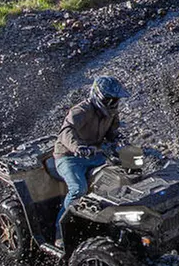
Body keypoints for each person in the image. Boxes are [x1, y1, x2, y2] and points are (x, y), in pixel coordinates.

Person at [53, 76, 130, 247]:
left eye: (116, 100)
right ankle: (60, 232)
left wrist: (120, 141)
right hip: (69, 157)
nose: (113, 103)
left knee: (120, 177)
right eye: (110, 100)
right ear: (98, 96)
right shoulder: (81, 110)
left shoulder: (111, 113)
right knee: (78, 189)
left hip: (95, 154)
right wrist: (77, 147)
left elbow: (113, 133)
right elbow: (66, 131)